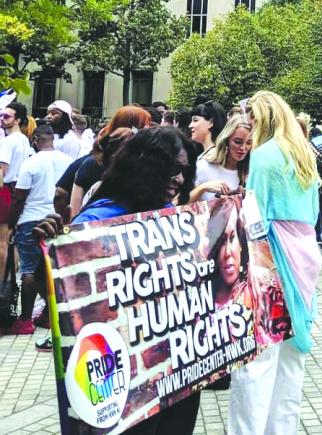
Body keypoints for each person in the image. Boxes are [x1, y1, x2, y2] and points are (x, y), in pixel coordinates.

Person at [34, 126, 201, 433]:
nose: (179, 180)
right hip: (124, 382)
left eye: (184, 172)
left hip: (177, 373)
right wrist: (51, 255)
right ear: (146, 167)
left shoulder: (168, 213)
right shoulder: (96, 221)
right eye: (172, 170)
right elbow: (57, 300)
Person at [229, 90, 322, 434]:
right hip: (305, 251)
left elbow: (256, 216)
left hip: (270, 257)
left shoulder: (265, 155)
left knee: (257, 361)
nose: (249, 129)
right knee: (290, 362)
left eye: (251, 121)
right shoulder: (303, 153)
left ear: (261, 118)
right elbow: (313, 212)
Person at [8, 125, 72, 334]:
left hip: (31, 220)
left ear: (35, 139)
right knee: (50, 270)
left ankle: (25, 320)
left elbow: (19, 197)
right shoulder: (67, 162)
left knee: (29, 269)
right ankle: (48, 314)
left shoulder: (31, 163)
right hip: (57, 220)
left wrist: (11, 224)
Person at [68, 105, 152, 217]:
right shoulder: (91, 164)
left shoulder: (148, 164)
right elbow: (74, 211)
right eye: (144, 126)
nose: (149, 130)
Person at [0, 101, 32, 283]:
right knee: (11, 239)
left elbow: (1, 171)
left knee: (2, 241)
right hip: (17, 189)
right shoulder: (23, 139)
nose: (2, 119)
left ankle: (2, 283)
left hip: (6, 189)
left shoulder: (8, 141)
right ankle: (11, 283)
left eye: (6, 116)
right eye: (1, 116)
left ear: (17, 120)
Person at [190, 115, 251, 202]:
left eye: (248, 143)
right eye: (238, 142)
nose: (243, 148)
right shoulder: (204, 166)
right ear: (226, 140)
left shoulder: (250, 172)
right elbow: (179, 204)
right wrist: (203, 188)